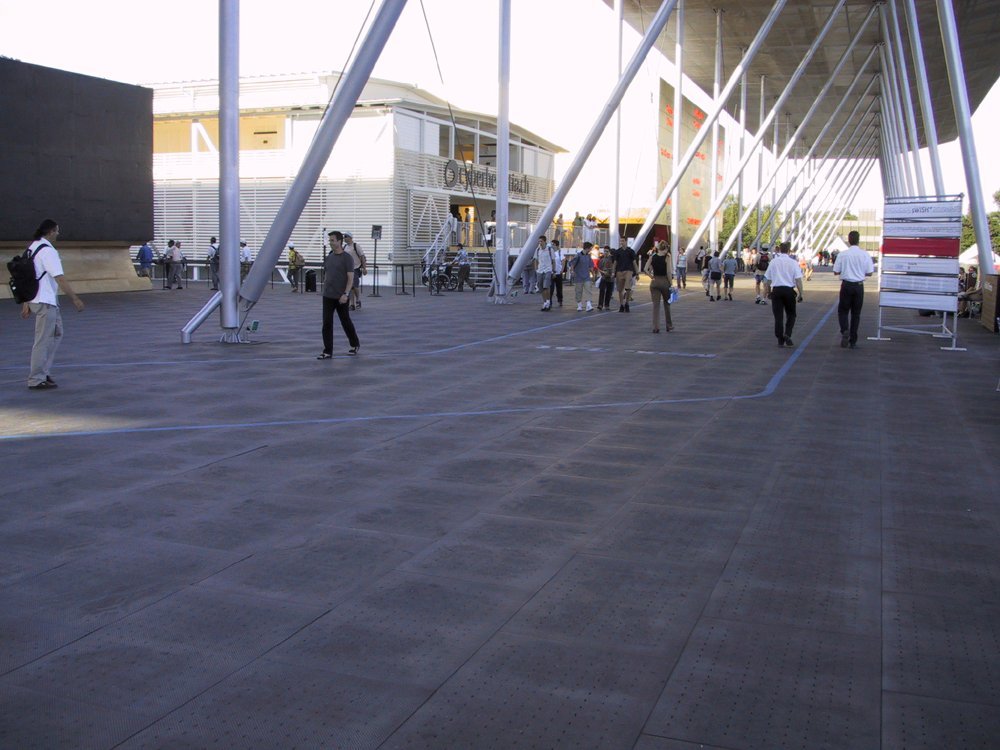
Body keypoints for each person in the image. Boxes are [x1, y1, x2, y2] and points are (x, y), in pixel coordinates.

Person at [21, 219, 85, 390]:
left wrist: (26, 301)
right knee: (43, 340)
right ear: (50, 232)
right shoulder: (48, 251)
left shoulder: (32, 247)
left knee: (57, 333)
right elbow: (59, 277)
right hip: (45, 300)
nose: (58, 233)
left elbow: (28, 276)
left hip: (37, 298)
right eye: (56, 230)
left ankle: (43, 371)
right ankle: (36, 378)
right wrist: (74, 298)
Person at [317, 230, 360, 358]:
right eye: (329, 240)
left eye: (332, 240)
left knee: (345, 321)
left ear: (339, 241)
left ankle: (354, 344)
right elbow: (327, 274)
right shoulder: (329, 257)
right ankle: (327, 351)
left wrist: (346, 294)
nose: (330, 243)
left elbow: (350, 278)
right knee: (326, 323)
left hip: (341, 296)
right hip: (328, 296)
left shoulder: (347, 258)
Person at [833, 230, 875, 349]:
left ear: (849, 240)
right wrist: (859, 272)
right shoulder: (865, 254)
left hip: (846, 285)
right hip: (859, 286)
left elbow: (836, 271)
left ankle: (844, 330)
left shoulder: (842, 254)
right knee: (856, 314)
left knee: (843, 311)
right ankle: (853, 341)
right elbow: (870, 272)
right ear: (858, 240)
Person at [763, 241, 804, 348]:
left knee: (778, 316)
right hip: (789, 291)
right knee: (791, 314)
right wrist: (801, 293)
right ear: (789, 250)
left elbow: (767, 279)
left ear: (780, 250)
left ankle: (780, 338)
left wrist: (767, 291)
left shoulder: (773, 262)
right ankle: (787, 333)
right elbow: (798, 280)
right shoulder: (793, 262)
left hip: (776, 291)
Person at [645, 240, 674, 333]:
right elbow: (668, 272)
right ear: (665, 249)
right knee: (667, 303)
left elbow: (645, 269)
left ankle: (655, 327)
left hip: (654, 282)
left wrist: (651, 276)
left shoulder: (653, 256)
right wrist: (671, 283)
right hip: (664, 281)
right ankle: (669, 325)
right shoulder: (667, 257)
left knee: (655, 305)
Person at [612, 237, 638, 312]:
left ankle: (627, 303)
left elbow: (634, 262)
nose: (621, 242)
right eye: (620, 241)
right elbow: (615, 262)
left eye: (623, 241)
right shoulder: (617, 252)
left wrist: (637, 273)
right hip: (619, 271)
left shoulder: (630, 251)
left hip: (628, 271)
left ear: (626, 241)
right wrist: (613, 272)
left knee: (628, 288)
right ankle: (621, 304)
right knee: (620, 290)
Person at [343, 232, 367, 309]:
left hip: (356, 268)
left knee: (355, 286)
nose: (344, 238)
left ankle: (358, 300)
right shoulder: (345, 247)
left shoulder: (356, 246)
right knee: (350, 286)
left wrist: (364, 268)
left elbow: (362, 257)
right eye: (344, 237)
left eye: (346, 236)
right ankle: (352, 304)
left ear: (350, 238)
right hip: (347, 269)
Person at [568, 242, 594, 311]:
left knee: (588, 290)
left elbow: (591, 266)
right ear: (587, 248)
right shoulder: (578, 255)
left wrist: (593, 274)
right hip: (578, 277)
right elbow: (572, 263)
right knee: (578, 291)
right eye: (590, 248)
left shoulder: (589, 256)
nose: (590, 250)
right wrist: (572, 271)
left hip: (587, 277)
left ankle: (589, 305)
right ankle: (579, 305)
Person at [534, 236, 556, 311]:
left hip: (548, 270)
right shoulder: (537, 250)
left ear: (545, 241)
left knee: (546, 287)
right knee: (541, 288)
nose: (540, 243)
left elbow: (553, 261)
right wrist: (536, 269)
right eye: (539, 241)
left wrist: (554, 271)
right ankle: (545, 302)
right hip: (540, 270)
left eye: (541, 241)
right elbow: (536, 260)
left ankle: (548, 301)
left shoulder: (550, 250)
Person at [597, 246, 615, 310]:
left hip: (611, 278)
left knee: (609, 292)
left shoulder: (612, 258)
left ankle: (607, 305)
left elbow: (615, 266)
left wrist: (613, 273)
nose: (605, 252)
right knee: (602, 291)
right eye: (604, 251)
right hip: (604, 277)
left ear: (609, 252)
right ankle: (600, 305)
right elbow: (599, 268)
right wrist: (603, 273)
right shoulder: (602, 259)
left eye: (607, 251)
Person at [548, 239, 565, 307]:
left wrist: (562, 269)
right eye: (551, 244)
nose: (552, 246)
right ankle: (549, 301)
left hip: (558, 273)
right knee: (551, 288)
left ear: (557, 245)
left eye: (553, 244)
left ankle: (560, 300)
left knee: (559, 288)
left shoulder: (560, 252)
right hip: (551, 273)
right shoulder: (549, 253)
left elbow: (563, 261)